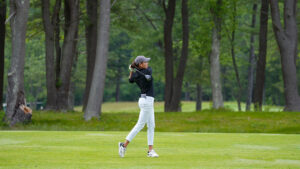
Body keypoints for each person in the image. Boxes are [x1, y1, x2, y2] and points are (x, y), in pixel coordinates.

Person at [118, 55, 159, 158]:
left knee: (151, 125)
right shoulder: (147, 72)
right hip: (147, 102)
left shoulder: (136, 75)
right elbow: (149, 70)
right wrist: (134, 69)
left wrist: (132, 70)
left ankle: (150, 151)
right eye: (145, 62)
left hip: (145, 100)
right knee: (140, 125)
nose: (147, 63)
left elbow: (130, 80)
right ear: (141, 64)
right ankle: (124, 145)